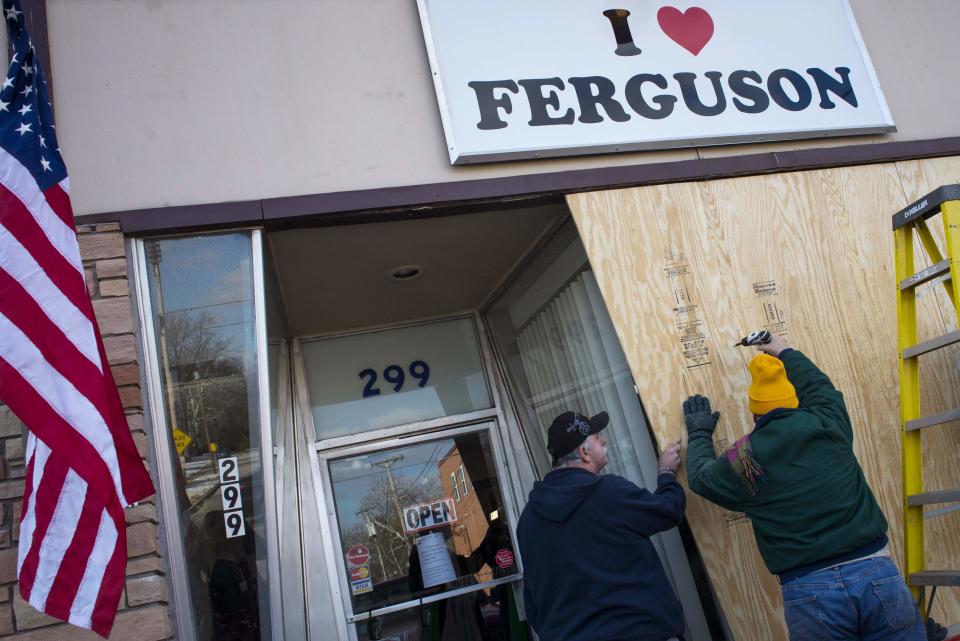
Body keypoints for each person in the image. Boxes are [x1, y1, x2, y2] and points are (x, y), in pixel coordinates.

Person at [683, 334, 925, 641]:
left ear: (755, 414)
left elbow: (702, 479)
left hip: (809, 591)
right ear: (794, 400)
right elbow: (819, 387)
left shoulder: (745, 459)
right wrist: (784, 350)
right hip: (874, 573)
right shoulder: (827, 422)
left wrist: (700, 433)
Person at [516, 410, 687, 641]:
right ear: (584, 453)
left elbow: (534, 606)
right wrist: (666, 472)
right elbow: (669, 510)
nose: (604, 440)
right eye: (598, 438)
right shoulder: (609, 493)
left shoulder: (528, 520)